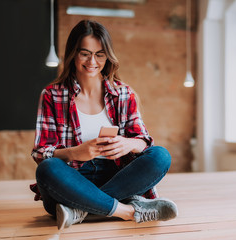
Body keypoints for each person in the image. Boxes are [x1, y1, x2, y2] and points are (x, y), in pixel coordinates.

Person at [30, 19, 178, 230]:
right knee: (48, 169)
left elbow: (144, 142)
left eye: (99, 54)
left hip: (116, 176)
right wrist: (75, 152)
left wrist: (129, 144)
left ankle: (79, 210)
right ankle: (127, 211)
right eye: (85, 53)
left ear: (107, 56)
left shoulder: (123, 93)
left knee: (160, 155)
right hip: (72, 180)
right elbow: (40, 152)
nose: (92, 61)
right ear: (73, 54)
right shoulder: (52, 95)